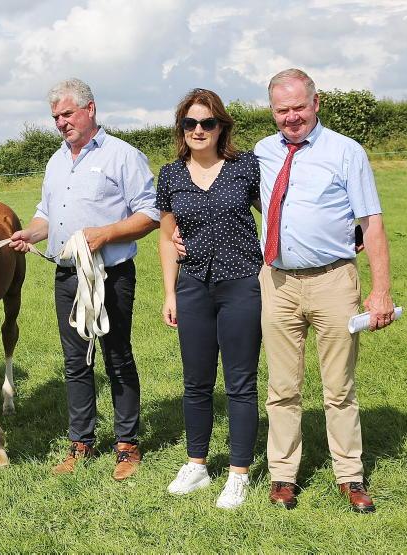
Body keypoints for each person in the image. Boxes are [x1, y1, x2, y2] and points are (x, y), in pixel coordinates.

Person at [255, 69, 394, 512]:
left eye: (299, 107)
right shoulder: (262, 152)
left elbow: (371, 222)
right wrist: (180, 233)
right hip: (277, 281)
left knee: (339, 387)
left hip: (334, 280)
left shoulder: (346, 151)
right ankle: (282, 474)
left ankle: (349, 475)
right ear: (272, 111)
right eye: (282, 110)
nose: (291, 117)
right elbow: (239, 198)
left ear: (316, 103)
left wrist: (381, 291)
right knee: (282, 386)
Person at [9, 78, 159, 480]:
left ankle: (127, 445)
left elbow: (149, 214)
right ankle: (81, 442)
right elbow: (47, 214)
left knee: (117, 356)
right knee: (75, 362)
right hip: (67, 276)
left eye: (67, 114)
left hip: (110, 274)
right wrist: (30, 233)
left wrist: (105, 234)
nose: (61, 122)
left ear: (90, 109)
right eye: (55, 117)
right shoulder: (56, 161)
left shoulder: (122, 155)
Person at [157, 89, 262, 509]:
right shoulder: (170, 175)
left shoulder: (245, 167)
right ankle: (196, 464)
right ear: (181, 128)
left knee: (240, 382)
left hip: (241, 283)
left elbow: (277, 214)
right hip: (193, 286)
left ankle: (238, 473)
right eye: (190, 123)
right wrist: (170, 292)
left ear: (221, 127)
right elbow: (167, 237)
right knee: (196, 381)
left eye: (207, 123)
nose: (198, 130)